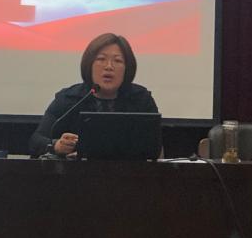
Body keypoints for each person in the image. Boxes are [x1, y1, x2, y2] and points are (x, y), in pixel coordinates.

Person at [29, 32, 158, 157]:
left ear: (127, 68)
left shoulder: (141, 100)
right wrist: (56, 145)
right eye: (101, 59)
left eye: (117, 61)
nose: (109, 66)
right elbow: (36, 141)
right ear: (89, 64)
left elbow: (155, 147)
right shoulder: (69, 99)